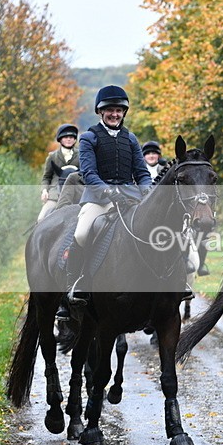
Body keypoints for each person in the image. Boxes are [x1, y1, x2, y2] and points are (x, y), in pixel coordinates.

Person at [56, 85, 153, 322]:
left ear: (124, 112)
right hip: (98, 198)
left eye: (119, 110)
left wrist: (147, 191)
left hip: (130, 198)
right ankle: (76, 284)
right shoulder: (89, 138)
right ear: (101, 112)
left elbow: (142, 173)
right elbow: (89, 173)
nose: (115, 114)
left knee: (156, 228)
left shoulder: (130, 139)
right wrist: (109, 192)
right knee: (81, 232)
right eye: (110, 110)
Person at [38, 124, 80, 222]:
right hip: (55, 196)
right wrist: (44, 191)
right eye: (66, 137)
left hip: (76, 195)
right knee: (41, 219)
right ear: (60, 139)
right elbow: (46, 177)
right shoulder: (52, 157)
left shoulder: (81, 156)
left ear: (75, 140)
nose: (69, 139)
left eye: (71, 137)